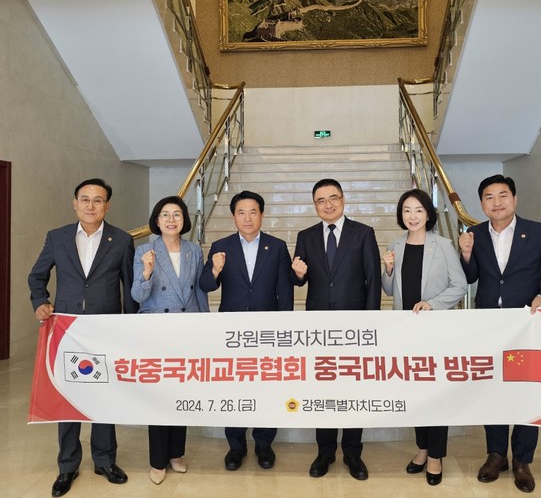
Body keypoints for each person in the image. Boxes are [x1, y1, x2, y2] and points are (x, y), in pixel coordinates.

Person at [459, 174, 541, 493]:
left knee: (525, 391)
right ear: (482, 204)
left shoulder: (538, 232)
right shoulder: (476, 234)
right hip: (489, 324)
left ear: (515, 199)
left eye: (503, 195)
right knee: (492, 389)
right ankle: (496, 455)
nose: (497, 202)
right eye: (489, 197)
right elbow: (471, 277)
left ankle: (522, 460)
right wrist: (466, 254)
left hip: (526, 324)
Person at [28, 178, 136, 497]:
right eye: (85, 199)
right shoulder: (57, 237)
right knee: (69, 397)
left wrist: (131, 326)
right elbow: (36, 276)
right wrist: (40, 301)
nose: (91, 205)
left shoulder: (122, 240)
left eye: (97, 200)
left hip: (106, 329)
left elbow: (129, 286)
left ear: (107, 206)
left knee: (105, 395)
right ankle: (67, 466)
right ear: (75, 203)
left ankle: (105, 460)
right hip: (68, 330)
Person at [291, 178, 381, 481]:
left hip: (355, 326)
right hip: (319, 328)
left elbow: (373, 279)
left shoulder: (363, 233)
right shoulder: (305, 236)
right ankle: (325, 451)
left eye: (333, 198)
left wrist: (370, 324)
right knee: (324, 388)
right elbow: (299, 279)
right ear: (314, 205)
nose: (328, 205)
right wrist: (297, 275)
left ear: (343, 199)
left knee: (354, 389)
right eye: (321, 200)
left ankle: (353, 453)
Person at [200, 190, 293, 471]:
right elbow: (205, 285)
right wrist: (215, 270)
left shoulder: (277, 246)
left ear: (261, 215)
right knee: (234, 387)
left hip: (268, 331)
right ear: (234, 217)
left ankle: (264, 444)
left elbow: (285, 290)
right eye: (241, 212)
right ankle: (236, 446)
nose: (248, 218)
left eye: (253, 212)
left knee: (267, 387)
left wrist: (285, 329)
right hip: (232, 332)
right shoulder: (221, 246)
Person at [381, 188, 467, 486]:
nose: (412, 216)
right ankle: (422, 449)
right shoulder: (395, 245)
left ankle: (435, 456)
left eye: (418, 210)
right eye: (407, 210)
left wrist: (432, 304)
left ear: (429, 214)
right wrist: (388, 269)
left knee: (436, 394)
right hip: (407, 333)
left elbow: (460, 285)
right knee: (416, 393)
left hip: (436, 332)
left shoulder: (443, 245)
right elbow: (389, 290)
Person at [131, 196, 209, 484]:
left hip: (187, 330)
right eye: (165, 214)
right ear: (157, 220)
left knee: (181, 394)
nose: (171, 219)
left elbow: (199, 292)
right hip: (157, 332)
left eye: (177, 214)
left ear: (184, 220)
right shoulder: (144, 250)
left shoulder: (193, 250)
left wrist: (206, 325)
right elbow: (137, 296)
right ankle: (157, 461)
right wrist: (147, 272)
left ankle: (177, 453)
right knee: (159, 396)